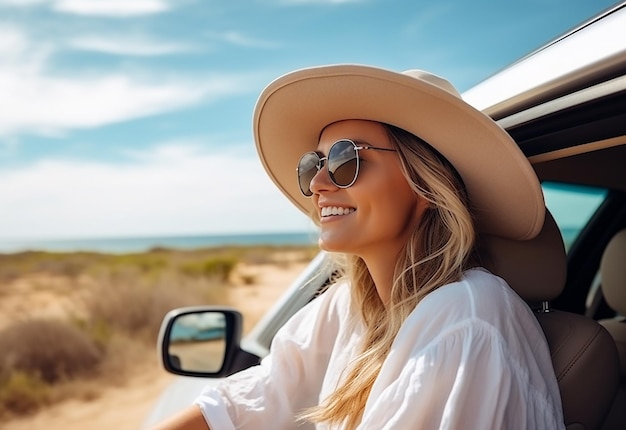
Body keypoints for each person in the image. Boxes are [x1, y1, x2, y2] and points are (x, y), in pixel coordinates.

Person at [149, 65, 564, 429]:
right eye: (313, 164)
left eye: (346, 160)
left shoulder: (466, 317)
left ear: (426, 185)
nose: (317, 184)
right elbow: (249, 402)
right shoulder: (350, 306)